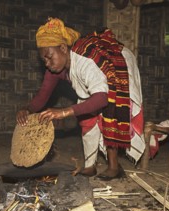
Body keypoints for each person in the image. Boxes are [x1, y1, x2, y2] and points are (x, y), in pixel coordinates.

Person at [16, 17, 145, 180]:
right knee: (86, 117)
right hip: (99, 82)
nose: (47, 63)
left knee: (109, 111)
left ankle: (114, 167)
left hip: (118, 65)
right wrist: (26, 109)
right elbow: (43, 95)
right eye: (44, 60)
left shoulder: (85, 60)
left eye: (49, 56)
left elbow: (102, 98)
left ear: (63, 48)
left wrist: (64, 112)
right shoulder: (55, 68)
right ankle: (90, 166)